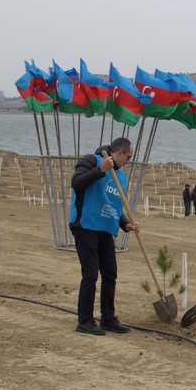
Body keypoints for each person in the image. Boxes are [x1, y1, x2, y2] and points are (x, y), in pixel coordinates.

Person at [69, 137, 138, 336]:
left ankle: (108, 317)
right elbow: (77, 183)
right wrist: (100, 170)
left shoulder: (120, 176)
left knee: (110, 273)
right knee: (90, 274)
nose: (128, 161)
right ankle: (85, 321)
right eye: (128, 157)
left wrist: (126, 224)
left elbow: (113, 204)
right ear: (118, 152)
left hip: (105, 229)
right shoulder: (91, 161)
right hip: (85, 226)